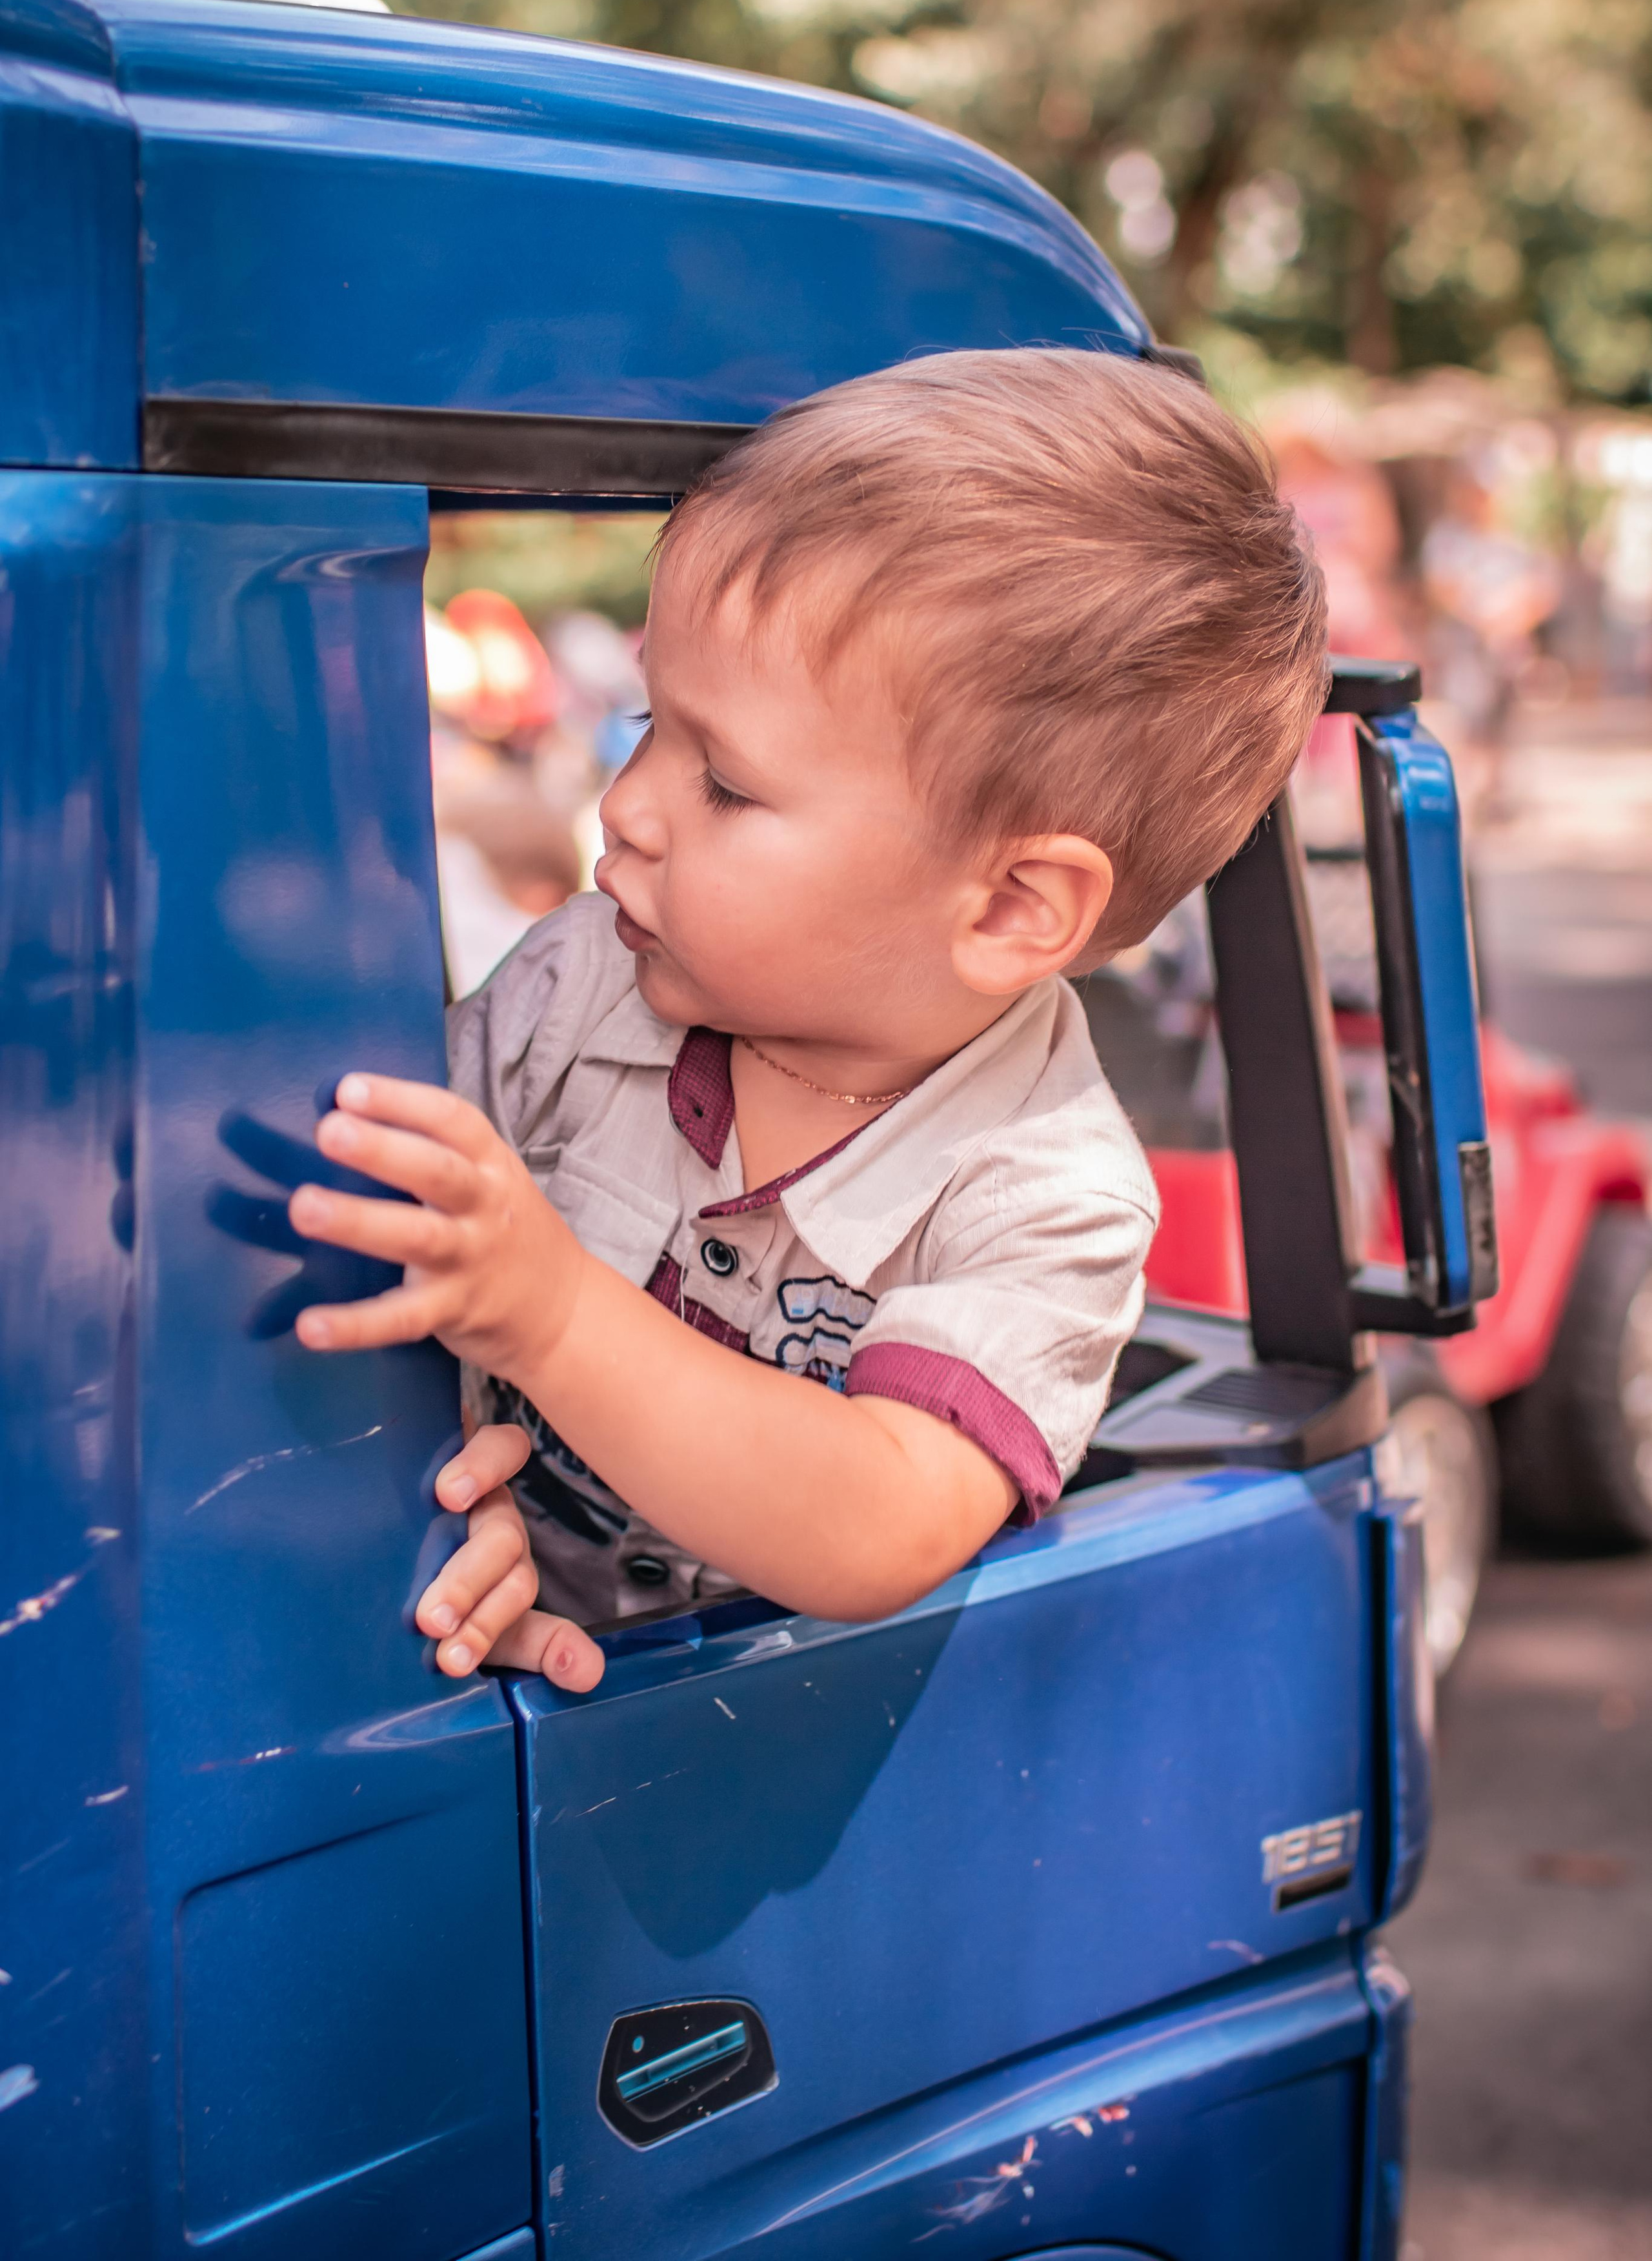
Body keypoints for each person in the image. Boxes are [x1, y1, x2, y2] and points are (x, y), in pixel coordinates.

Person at [286, 350, 1329, 1693]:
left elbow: (876, 1518)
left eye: (720, 781)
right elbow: (381, 1247)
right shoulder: (582, 981)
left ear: (1011, 905)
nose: (627, 808)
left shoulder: (1042, 1200)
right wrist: (440, 1503)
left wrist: (546, 1313)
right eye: (646, 725)